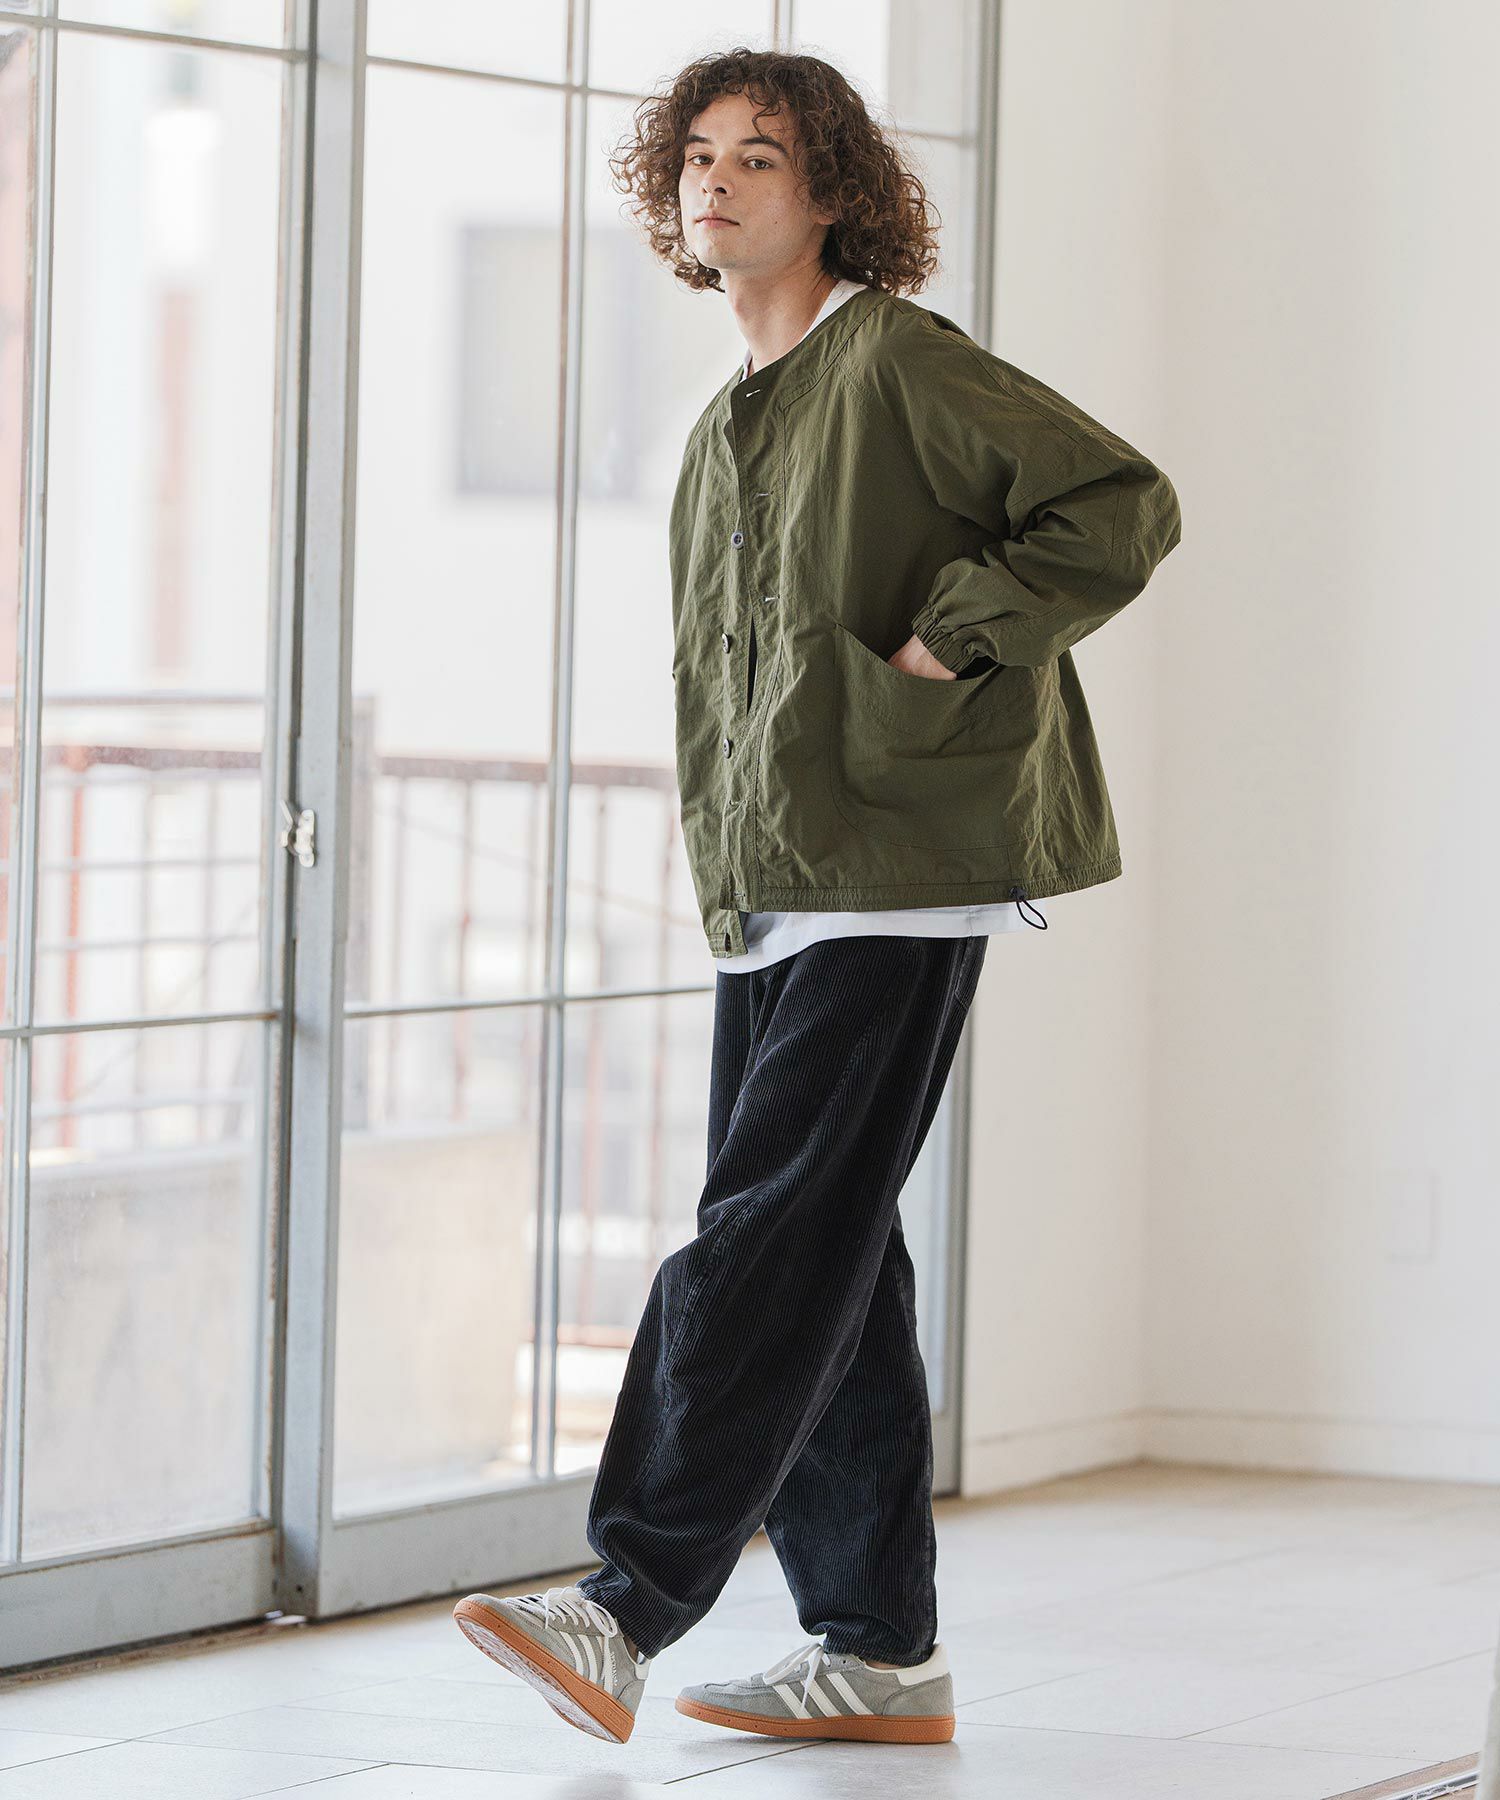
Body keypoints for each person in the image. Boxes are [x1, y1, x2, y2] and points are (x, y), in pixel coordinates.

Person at [452, 46, 1182, 1745]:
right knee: (835, 1255)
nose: (717, 180)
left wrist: (952, 641)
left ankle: (626, 1602)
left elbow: (1120, 504)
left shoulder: (898, 359)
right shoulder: (731, 421)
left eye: (760, 156)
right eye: (697, 155)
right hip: (779, 882)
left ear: (832, 191)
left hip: (899, 870)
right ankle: (879, 1648)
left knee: (768, 1233)